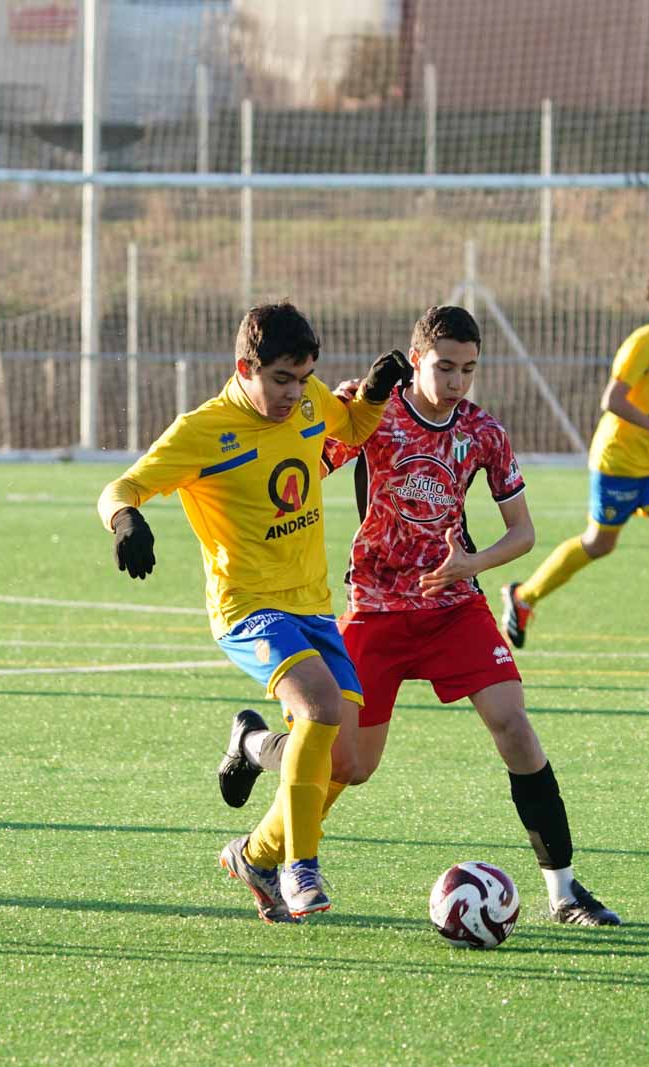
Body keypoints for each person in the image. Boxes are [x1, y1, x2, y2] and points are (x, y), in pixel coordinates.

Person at [217, 305, 621, 925]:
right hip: (375, 611)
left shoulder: (484, 433)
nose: (457, 381)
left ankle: (564, 892)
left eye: (469, 369)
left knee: (513, 724)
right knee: (347, 765)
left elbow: (524, 533)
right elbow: (300, 464)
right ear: (415, 360)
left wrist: (472, 564)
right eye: (444, 367)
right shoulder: (372, 415)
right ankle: (254, 780)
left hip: (453, 606)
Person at [97, 301, 408, 921]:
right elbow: (120, 487)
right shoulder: (203, 429)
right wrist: (126, 520)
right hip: (247, 608)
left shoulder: (310, 396)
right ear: (245, 367)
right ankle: (301, 867)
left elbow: (352, 428)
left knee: (346, 761)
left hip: (313, 606)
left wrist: (371, 394)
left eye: (303, 378)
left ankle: (255, 828)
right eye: (281, 380)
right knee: (318, 709)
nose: (295, 394)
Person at [500, 267, 649, 670]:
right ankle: (523, 598)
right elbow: (614, 400)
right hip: (618, 462)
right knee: (599, 543)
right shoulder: (643, 344)